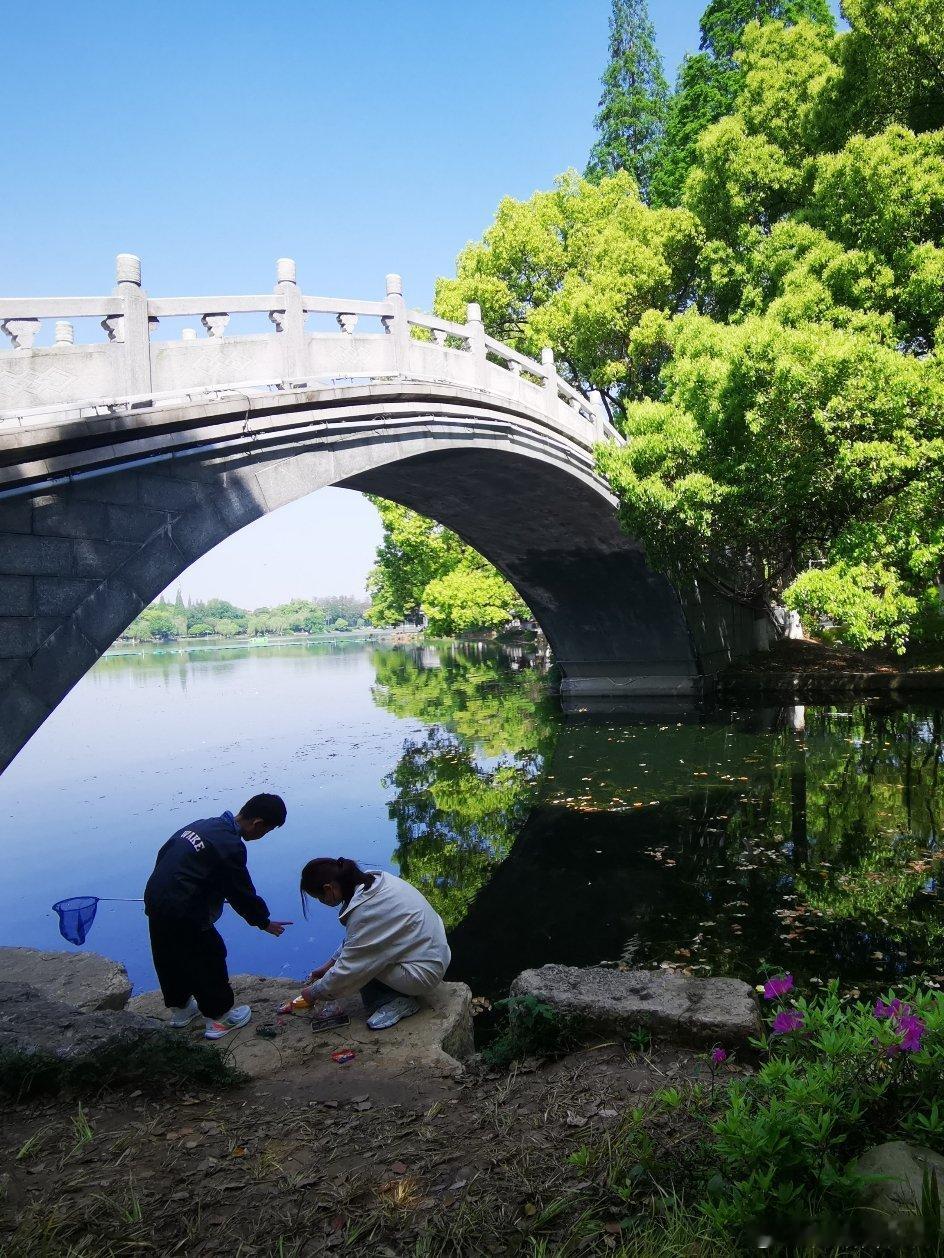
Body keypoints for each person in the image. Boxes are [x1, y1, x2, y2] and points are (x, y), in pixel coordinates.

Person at [144, 794, 291, 1040]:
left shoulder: (203, 825)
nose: (262, 836)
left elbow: (167, 855)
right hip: (185, 909)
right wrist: (263, 922)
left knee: (168, 955)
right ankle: (219, 1018)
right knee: (209, 956)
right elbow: (240, 892)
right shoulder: (230, 846)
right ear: (257, 823)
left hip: (157, 899)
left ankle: (180, 1010)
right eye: (266, 831)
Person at [292, 857, 451, 1030]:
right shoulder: (371, 882)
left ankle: (394, 1002)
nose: (321, 903)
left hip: (423, 973)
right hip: (432, 952)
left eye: (319, 898)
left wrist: (313, 993)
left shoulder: (366, 911)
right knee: (364, 958)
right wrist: (329, 964)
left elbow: (352, 964)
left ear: (328, 889)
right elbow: (359, 939)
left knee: (362, 967)